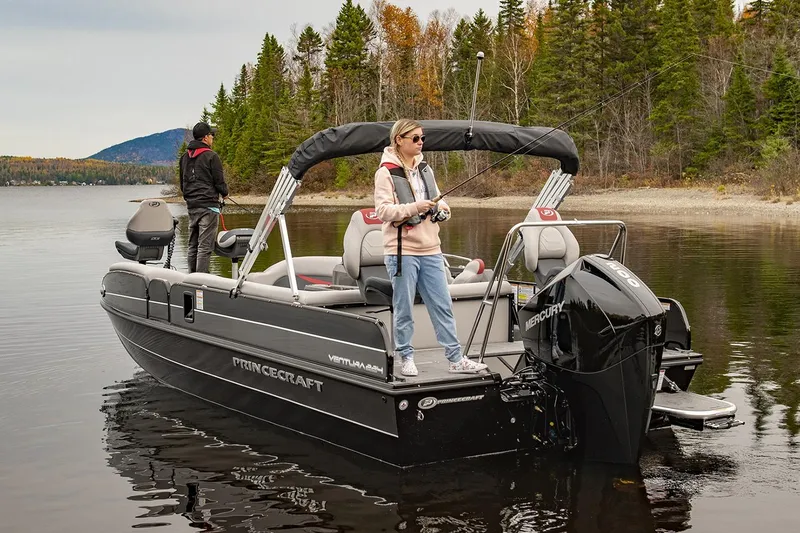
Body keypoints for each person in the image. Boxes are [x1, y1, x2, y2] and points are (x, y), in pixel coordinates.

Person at [374, 119, 488, 377]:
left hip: (431, 249)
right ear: (399, 140)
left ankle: (456, 359)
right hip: (402, 252)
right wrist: (415, 207)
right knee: (404, 307)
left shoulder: (426, 169)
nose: (420, 142)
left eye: (422, 138)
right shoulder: (385, 173)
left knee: (442, 305)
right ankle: (406, 357)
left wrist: (443, 210)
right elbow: (383, 211)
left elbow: (440, 200)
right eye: (415, 138)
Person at [179, 122, 229, 273]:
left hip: (192, 206)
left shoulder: (184, 158)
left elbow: (182, 184)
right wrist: (225, 193)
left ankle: (191, 277)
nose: (213, 138)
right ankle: (201, 280)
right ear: (205, 137)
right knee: (205, 246)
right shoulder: (212, 156)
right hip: (208, 206)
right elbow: (219, 181)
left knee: (192, 245)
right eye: (211, 135)